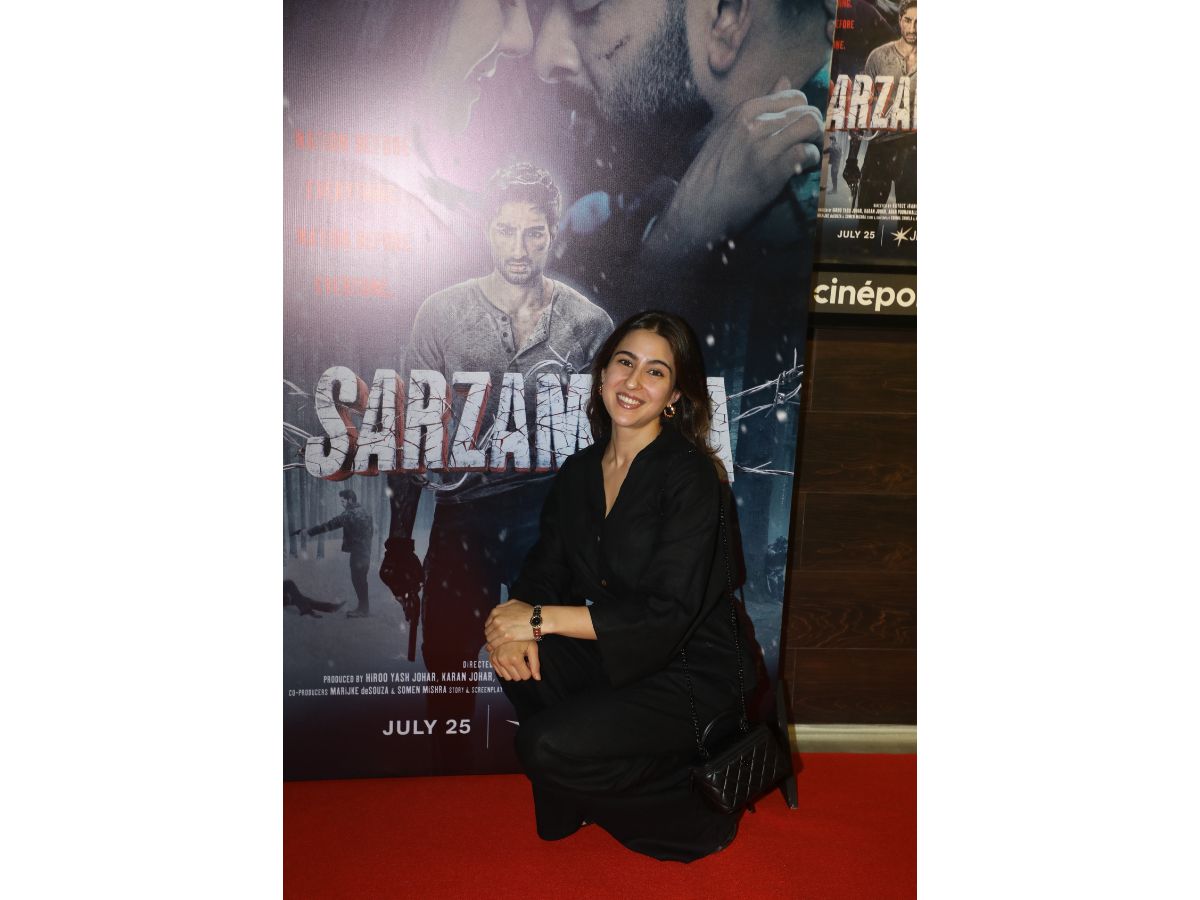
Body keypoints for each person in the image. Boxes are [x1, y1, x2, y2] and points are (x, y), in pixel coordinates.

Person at [482, 310, 755, 862]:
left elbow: (667, 613)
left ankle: (687, 814)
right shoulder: (580, 472)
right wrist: (512, 625)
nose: (633, 382)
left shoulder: (691, 475)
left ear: (674, 396)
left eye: (656, 372)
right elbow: (545, 570)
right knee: (526, 661)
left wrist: (537, 619)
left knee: (540, 745)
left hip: (695, 670)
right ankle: (581, 792)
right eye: (625, 363)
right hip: (626, 653)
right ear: (603, 372)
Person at [379, 162, 613, 768]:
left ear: (554, 233)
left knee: (555, 662)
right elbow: (413, 434)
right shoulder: (441, 315)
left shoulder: (588, 325)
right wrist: (399, 540)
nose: (519, 248)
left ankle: (563, 771)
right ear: (487, 229)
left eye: (534, 233)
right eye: (506, 230)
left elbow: (609, 448)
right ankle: (447, 784)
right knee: (448, 666)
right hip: (464, 514)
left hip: (551, 517)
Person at [531, 0, 834, 294]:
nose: (544, 60)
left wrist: (669, 259)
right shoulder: (610, 223)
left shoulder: (791, 253)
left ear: (726, 16)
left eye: (586, 6)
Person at [844, 0, 916, 221]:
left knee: (911, 228)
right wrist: (851, 160)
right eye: (908, 20)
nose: (913, 28)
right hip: (880, 150)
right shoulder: (878, 57)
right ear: (900, 20)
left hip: (914, 152)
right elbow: (861, 110)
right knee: (866, 221)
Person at [291, 489, 375, 618]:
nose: (342, 504)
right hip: (366, 551)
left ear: (350, 500)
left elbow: (330, 525)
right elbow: (372, 531)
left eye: (343, 501)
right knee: (361, 580)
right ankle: (364, 607)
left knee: (358, 580)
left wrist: (308, 532)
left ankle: (363, 609)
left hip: (358, 553)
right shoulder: (365, 512)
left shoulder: (350, 514)